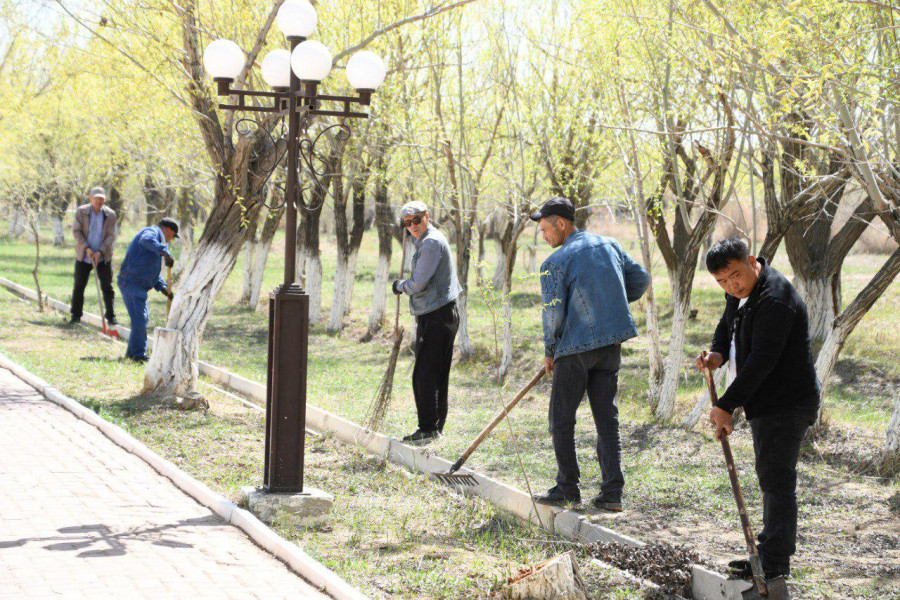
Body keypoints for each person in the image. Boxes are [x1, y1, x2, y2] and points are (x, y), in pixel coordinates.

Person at [695, 237, 819, 582]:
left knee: (776, 480)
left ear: (751, 261)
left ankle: (775, 563)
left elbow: (761, 362)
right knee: (769, 475)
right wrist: (718, 353)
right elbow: (727, 323)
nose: (731, 286)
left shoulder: (775, 299)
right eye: (722, 281)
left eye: (735, 275)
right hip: (765, 399)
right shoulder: (740, 291)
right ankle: (768, 552)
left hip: (787, 402)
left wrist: (725, 405)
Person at [530, 197, 649, 511]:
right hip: (610, 346)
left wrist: (549, 352)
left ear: (562, 223)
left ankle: (567, 488)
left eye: (545, 229)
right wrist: (612, 300)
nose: (544, 236)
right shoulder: (608, 244)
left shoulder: (554, 263)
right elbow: (640, 279)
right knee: (606, 419)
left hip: (575, 350)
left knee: (560, 419)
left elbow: (552, 315)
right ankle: (612, 493)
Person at [391, 201, 462, 445]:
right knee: (437, 373)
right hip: (444, 312)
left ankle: (428, 428)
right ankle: (435, 427)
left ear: (427, 216)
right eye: (407, 223)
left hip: (436, 316)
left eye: (417, 220)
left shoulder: (431, 243)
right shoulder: (426, 240)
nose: (412, 226)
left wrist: (399, 286)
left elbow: (418, 284)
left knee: (424, 374)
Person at [116, 218, 178, 363]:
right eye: (173, 235)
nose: (171, 239)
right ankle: (138, 355)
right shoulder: (151, 232)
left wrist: (163, 287)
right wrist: (165, 253)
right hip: (131, 282)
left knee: (141, 319)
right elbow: (146, 240)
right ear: (168, 230)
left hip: (138, 284)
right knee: (140, 319)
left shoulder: (157, 244)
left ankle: (132, 354)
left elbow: (150, 271)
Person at [70, 187, 118, 325]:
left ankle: (111, 316)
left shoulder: (110, 214)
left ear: (105, 200)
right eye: (96, 198)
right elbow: (76, 232)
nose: (99, 200)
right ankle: (76, 316)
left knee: (107, 287)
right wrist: (87, 249)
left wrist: (100, 252)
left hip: (103, 257)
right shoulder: (81, 211)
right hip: (84, 256)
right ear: (90, 198)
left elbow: (111, 236)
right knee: (79, 286)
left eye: (102, 198)